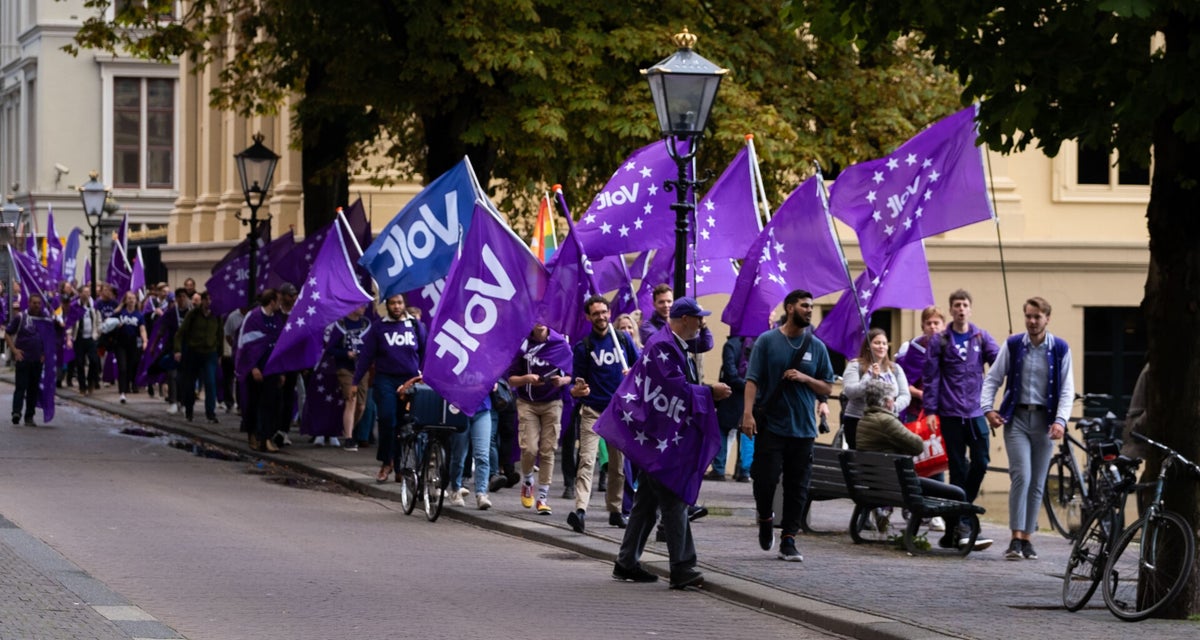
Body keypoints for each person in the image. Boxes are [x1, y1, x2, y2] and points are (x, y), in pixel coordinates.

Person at [612, 297, 731, 589]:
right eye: (698, 318)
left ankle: (626, 562)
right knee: (675, 498)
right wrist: (709, 392)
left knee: (646, 504)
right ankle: (682, 566)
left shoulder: (672, 342)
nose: (702, 322)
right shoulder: (663, 346)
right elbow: (672, 389)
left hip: (657, 438)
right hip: (659, 440)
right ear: (685, 319)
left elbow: (702, 346)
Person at [741, 289, 835, 562]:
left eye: (811, 306)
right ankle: (765, 517)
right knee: (765, 479)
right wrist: (747, 414)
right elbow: (752, 379)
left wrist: (806, 378)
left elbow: (827, 386)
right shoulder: (767, 341)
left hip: (803, 428)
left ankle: (789, 539)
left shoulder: (816, 346)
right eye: (804, 305)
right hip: (772, 424)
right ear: (790, 308)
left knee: (798, 486)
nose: (809, 310)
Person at [981, 296, 1074, 560]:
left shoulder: (1060, 348)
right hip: (1017, 419)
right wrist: (988, 409)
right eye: (1028, 316)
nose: (1032, 321)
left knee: (1037, 480)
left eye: (1037, 317)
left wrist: (1061, 420)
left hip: (1045, 422)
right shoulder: (1013, 345)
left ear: (1047, 319)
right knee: (1021, 475)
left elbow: (1067, 389)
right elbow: (993, 378)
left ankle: (1027, 538)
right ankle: (1015, 539)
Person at [922, 289, 999, 551]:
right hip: (950, 413)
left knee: (981, 462)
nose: (961, 309)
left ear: (970, 308)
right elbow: (931, 377)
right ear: (951, 309)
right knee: (957, 469)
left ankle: (958, 521)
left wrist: (1008, 354)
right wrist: (930, 411)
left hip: (976, 411)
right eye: (957, 305)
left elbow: (999, 362)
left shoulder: (981, 336)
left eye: (965, 304)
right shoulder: (940, 340)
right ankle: (963, 526)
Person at [854, 378, 967, 549]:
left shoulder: (864, 421)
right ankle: (951, 536)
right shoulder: (886, 421)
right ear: (886, 402)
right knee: (957, 493)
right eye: (892, 399)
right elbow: (917, 445)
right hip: (899, 485)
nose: (894, 402)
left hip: (879, 483)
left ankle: (944, 535)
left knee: (942, 492)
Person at [568, 295, 640, 533]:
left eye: (603, 312)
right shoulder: (584, 347)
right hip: (592, 411)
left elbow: (640, 369)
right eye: (595, 313)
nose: (600, 317)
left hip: (618, 413)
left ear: (609, 313)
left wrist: (632, 374)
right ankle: (580, 510)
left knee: (618, 466)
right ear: (588, 317)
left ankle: (615, 510)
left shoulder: (623, 340)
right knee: (587, 461)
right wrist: (578, 390)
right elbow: (576, 383)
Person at [354, 294, 424, 481]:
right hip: (385, 379)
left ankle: (400, 466)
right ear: (387, 305)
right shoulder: (379, 327)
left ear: (404, 304)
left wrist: (424, 376)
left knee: (404, 424)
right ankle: (387, 462)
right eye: (392, 303)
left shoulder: (415, 325)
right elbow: (366, 356)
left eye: (399, 303)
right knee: (387, 419)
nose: (396, 306)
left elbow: (425, 352)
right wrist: (355, 381)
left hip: (410, 381)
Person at [507, 322, 572, 515]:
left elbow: (570, 374)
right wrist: (526, 379)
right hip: (527, 403)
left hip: (553, 402)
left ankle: (542, 498)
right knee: (529, 448)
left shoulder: (560, 343)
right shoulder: (523, 344)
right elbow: (511, 379)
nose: (540, 322)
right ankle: (528, 481)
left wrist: (561, 381)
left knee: (548, 450)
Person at [841, 328, 911, 449]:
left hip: (888, 421)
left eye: (884, 343)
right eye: (877, 343)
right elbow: (850, 392)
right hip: (859, 421)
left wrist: (893, 407)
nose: (881, 346)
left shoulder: (895, 369)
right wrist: (870, 377)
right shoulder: (855, 365)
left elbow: (905, 395)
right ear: (868, 346)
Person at [236, 289, 286, 453]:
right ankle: (252, 433)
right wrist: (253, 367)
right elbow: (247, 344)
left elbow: (279, 345)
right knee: (254, 403)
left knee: (271, 403)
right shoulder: (254, 317)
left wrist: (281, 371)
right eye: (278, 300)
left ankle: (266, 438)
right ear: (272, 301)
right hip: (256, 368)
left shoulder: (277, 319)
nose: (280, 303)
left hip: (272, 367)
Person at [709, 334, 756, 482]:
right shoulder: (759, 344)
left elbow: (730, 372)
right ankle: (744, 471)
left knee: (722, 429)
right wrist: (752, 388)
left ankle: (719, 469)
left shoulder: (731, 345)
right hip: (751, 397)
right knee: (747, 433)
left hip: (731, 395)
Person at [328, 305, 371, 452]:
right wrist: (346, 354)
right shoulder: (340, 324)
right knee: (350, 400)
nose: (364, 307)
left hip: (362, 369)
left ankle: (348, 429)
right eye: (361, 305)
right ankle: (348, 438)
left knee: (361, 406)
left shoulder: (366, 324)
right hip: (345, 368)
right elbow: (330, 348)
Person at [175, 291, 223, 423]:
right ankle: (189, 410)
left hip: (210, 353)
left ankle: (210, 413)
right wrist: (178, 350)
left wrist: (220, 354)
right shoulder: (193, 314)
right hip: (194, 352)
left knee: (210, 382)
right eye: (207, 299)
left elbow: (220, 335)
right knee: (190, 383)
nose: (209, 302)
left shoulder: (216, 316)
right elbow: (180, 333)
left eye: (211, 300)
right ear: (202, 301)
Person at [6, 294, 50, 426]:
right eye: (34, 303)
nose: (37, 306)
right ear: (29, 303)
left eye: (39, 303)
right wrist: (14, 350)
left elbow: (47, 337)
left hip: (37, 360)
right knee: (20, 387)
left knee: (33, 389)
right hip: (23, 359)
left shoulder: (43, 319)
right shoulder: (21, 317)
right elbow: (8, 333)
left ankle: (29, 416)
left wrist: (44, 353)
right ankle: (16, 412)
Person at [112, 291, 147, 404]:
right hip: (121, 343)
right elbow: (112, 316)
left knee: (132, 365)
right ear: (125, 300)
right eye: (129, 298)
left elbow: (142, 329)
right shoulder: (121, 313)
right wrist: (121, 305)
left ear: (136, 301)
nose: (131, 300)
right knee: (122, 367)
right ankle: (122, 391)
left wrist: (145, 341)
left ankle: (131, 383)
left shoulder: (139, 315)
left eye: (133, 298)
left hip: (133, 344)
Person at [71, 285, 103, 396]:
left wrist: (98, 332)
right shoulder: (74, 306)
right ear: (80, 294)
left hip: (91, 337)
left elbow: (98, 319)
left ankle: (91, 381)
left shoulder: (93, 305)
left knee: (94, 361)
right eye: (84, 292)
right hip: (79, 338)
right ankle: (82, 386)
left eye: (88, 292)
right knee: (80, 363)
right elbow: (70, 322)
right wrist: (69, 337)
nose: (87, 294)